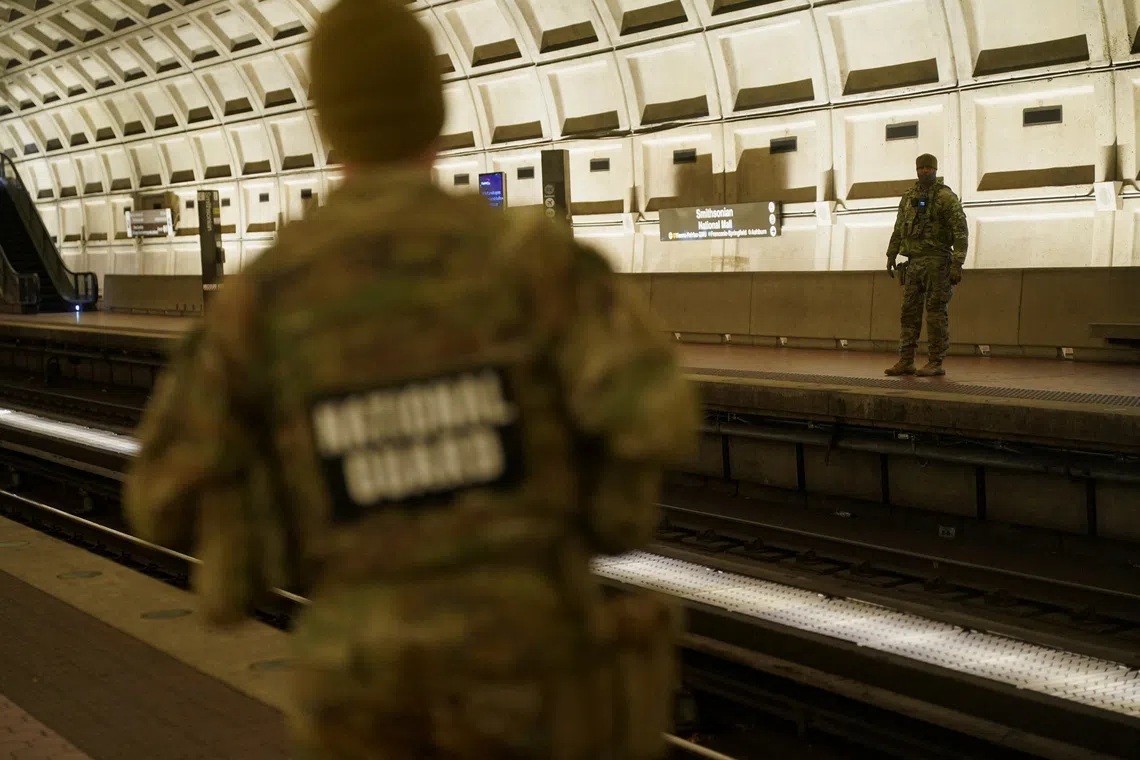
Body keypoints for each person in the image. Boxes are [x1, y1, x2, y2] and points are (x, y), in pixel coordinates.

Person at [122, 1, 700, 758]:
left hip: (357, 686)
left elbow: (160, 500)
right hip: (530, 669)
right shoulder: (528, 259)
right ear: (436, 111)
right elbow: (660, 417)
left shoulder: (262, 297)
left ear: (330, 125)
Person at [884, 154, 969, 377]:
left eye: (929, 168)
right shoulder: (908, 197)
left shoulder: (946, 197)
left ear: (936, 169)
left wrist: (957, 264)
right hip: (913, 264)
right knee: (909, 313)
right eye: (921, 168)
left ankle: (935, 361)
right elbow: (899, 226)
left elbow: (961, 232)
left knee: (935, 314)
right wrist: (892, 253)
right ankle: (906, 360)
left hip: (938, 263)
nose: (924, 171)